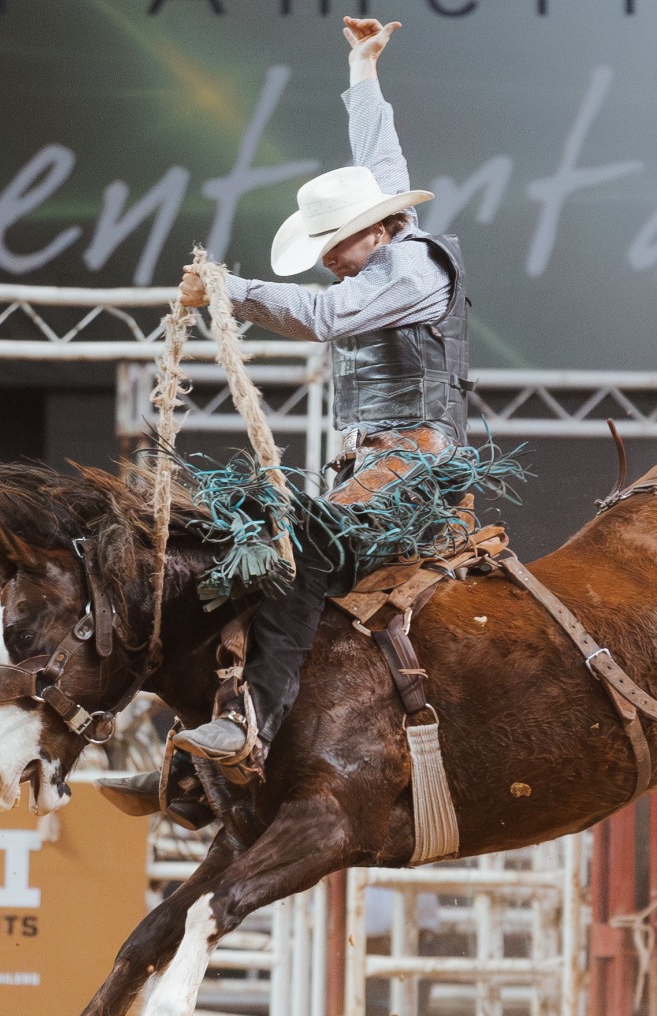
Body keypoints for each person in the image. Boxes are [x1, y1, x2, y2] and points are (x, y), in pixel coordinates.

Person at [166, 15, 471, 773]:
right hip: (375, 467)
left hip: (417, 466)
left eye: (334, 244)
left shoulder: (408, 270)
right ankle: (210, 739)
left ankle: (252, 728)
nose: (329, 260)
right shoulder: (386, 252)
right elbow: (380, 156)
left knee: (298, 554)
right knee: (247, 551)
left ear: (376, 228)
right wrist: (363, 70)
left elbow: (325, 319)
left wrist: (229, 288)